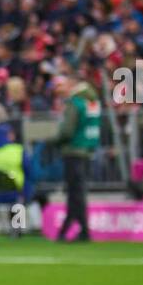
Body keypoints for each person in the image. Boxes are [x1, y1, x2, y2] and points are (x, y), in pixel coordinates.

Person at [52, 72, 101, 242]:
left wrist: (54, 141)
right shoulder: (92, 101)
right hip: (87, 150)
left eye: (63, 84)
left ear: (72, 84)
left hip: (74, 150)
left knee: (75, 193)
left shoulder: (75, 103)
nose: (60, 89)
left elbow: (67, 131)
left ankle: (83, 230)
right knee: (77, 192)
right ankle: (71, 230)